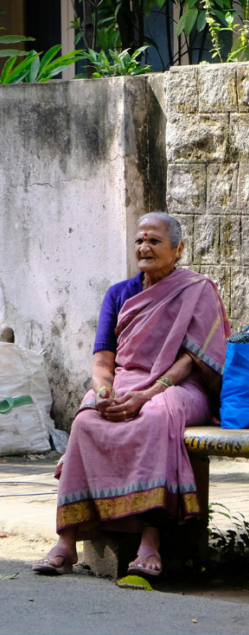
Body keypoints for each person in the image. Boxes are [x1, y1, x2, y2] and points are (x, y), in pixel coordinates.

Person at [32, 212, 230, 578]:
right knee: (87, 419)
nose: (144, 247)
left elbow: (192, 359)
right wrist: (103, 391)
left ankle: (149, 541)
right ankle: (67, 540)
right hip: (125, 381)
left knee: (157, 416)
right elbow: (103, 359)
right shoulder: (119, 294)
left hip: (178, 386)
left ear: (178, 249)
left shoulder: (197, 290)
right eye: (140, 240)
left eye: (154, 241)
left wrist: (149, 393)